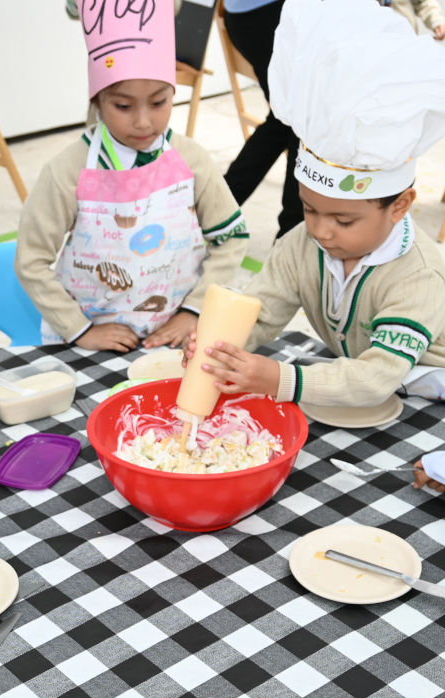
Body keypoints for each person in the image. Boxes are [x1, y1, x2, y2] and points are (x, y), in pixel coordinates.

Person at [183, 0, 445, 407]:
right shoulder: (301, 245)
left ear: (400, 205)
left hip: (429, 391)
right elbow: (262, 310)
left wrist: (279, 378)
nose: (320, 231)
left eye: (343, 220)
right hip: (354, 382)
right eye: (309, 208)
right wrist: (221, 345)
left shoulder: (419, 275)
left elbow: (377, 375)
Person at [14, 0, 248, 354]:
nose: (143, 122)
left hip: (177, 339)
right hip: (91, 343)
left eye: (159, 103)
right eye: (123, 106)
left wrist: (193, 311)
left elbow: (232, 239)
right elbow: (31, 260)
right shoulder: (68, 171)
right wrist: (80, 329)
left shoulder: (191, 159)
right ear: (97, 101)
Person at [221, 0, 303, 239]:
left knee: (284, 121)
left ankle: (212, 210)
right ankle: (290, 239)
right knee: (300, 125)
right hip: (267, 14)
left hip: (249, 17)